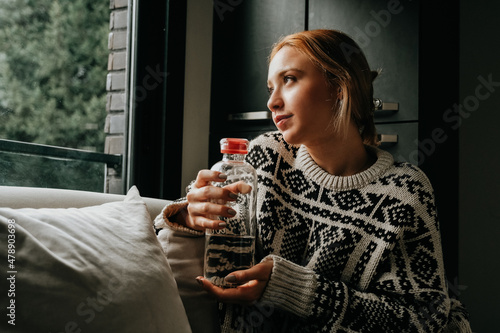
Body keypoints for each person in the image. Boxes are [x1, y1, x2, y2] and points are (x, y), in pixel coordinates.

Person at [155, 29, 471, 332]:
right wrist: (189, 214)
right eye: (270, 88)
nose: (272, 102)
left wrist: (293, 288)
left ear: (338, 86)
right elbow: (165, 222)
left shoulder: (405, 192)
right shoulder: (265, 156)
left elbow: (423, 319)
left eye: (289, 80)